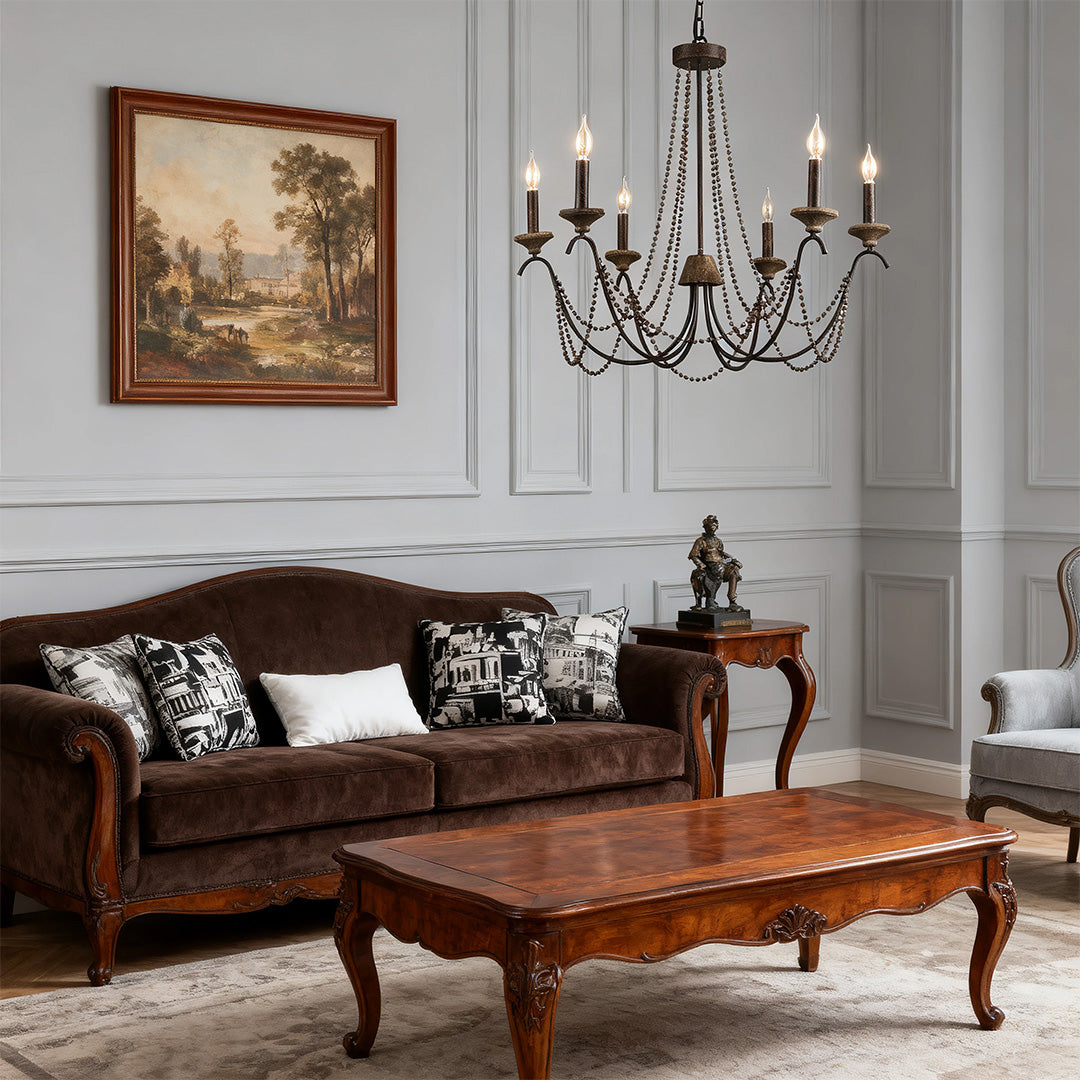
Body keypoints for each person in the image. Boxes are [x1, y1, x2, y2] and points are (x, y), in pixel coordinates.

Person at [688, 515, 744, 610]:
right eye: (710, 527)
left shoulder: (718, 541)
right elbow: (693, 555)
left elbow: (721, 553)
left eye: (714, 526)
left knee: (734, 571)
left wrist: (733, 560)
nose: (712, 529)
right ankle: (708, 600)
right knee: (700, 576)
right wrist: (701, 565)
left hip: (721, 564)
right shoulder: (701, 541)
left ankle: (732, 601)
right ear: (705, 528)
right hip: (709, 567)